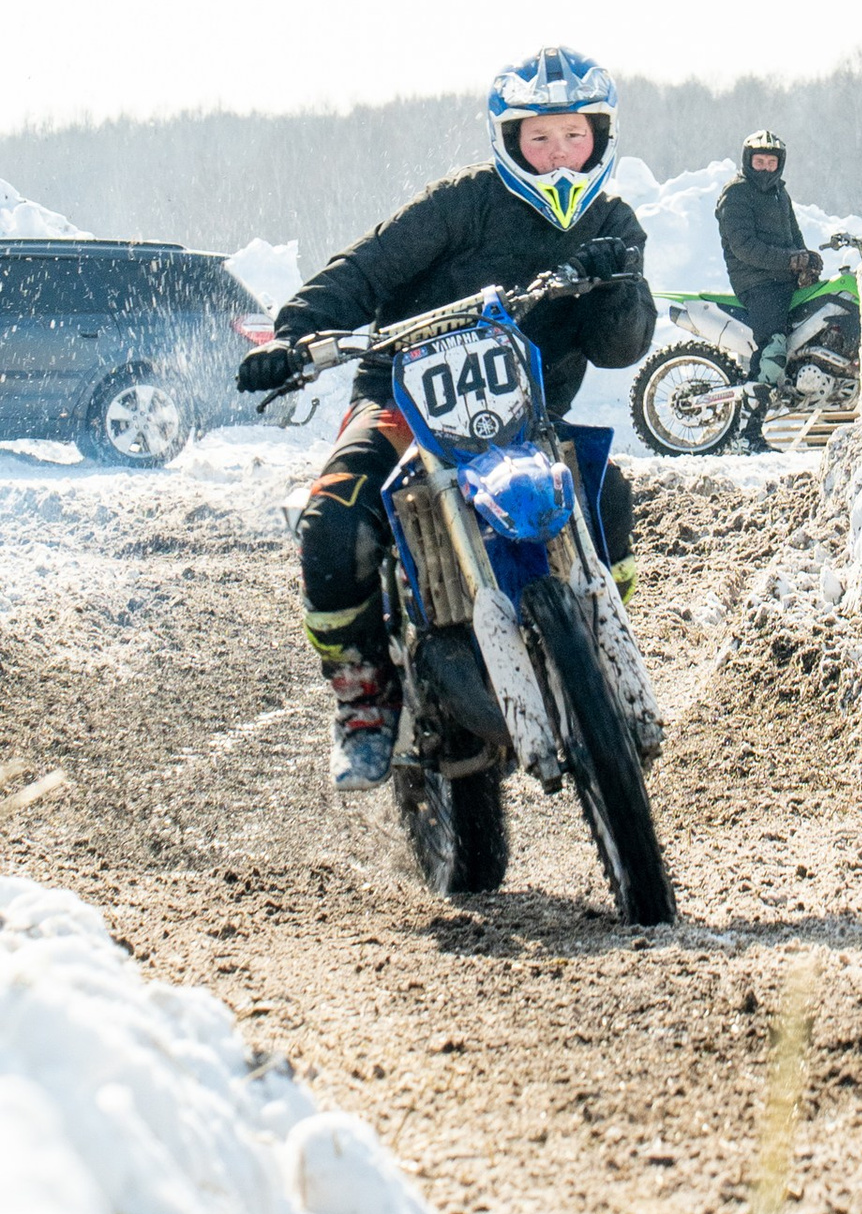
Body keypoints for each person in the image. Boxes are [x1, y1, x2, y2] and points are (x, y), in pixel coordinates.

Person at [234, 46, 656, 795]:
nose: (559, 153)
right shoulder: (462, 203)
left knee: (610, 498)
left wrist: (613, 279)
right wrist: (295, 335)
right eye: (540, 137)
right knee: (333, 520)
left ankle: (596, 653)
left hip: (523, 420)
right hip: (405, 403)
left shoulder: (614, 223)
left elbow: (620, 348)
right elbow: (364, 270)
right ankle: (363, 693)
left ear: (599, 138)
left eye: (573, 135)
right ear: (510, 140)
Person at [716, 126, 814, 449]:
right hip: (756, 282)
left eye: (772, 163)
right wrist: (789, 261)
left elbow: (794, 237)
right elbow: (744, 247)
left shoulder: (780, 194)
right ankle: (748, 433)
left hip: (783, 280)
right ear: (748, 161)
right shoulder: (736, 194)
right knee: (773, 349)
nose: (766, 169)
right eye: (759, 162)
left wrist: (807, 259)